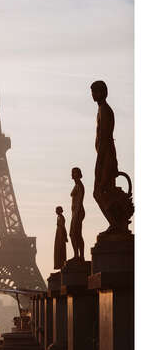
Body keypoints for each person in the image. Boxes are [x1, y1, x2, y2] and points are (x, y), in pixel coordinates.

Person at [91, 80, 119, 232]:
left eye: (95, 92)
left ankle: (115, 224)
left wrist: (99, 163)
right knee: (105, 192)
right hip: (106, 155)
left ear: (102, 93)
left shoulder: (104, 110)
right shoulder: (103, 109)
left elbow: (104, 138)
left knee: (99, 192)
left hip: (105, 156)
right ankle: (116, 224)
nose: (92, 95)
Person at [69, 167, 85, 262]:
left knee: (75, 234)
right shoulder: (77, 185)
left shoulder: (79, 185)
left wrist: (76, 213)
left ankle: (79, 256)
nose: (71, 174)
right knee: (74, 234)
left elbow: (79, 201)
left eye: (73, 173)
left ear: (78, 174)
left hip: (78, 212)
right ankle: (78, 255)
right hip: (75, 212)